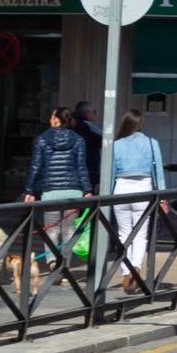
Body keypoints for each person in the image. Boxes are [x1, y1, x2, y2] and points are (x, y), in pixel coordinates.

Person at [106, 111, 167, 293]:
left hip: (121, 189)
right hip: (144, 188)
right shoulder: (151, 143)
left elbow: (110, 172)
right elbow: (159, 172)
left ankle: (126, 273)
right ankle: (136, 267)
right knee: (140, 234)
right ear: (140, 124)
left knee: (124, 233)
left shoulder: (116, 145)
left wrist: (108, 195)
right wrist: (162, 196)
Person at [22, 107, 89, 272]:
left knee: (51, 230)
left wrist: (29, 191)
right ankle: (64, 265)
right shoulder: (79, 140)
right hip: (73, 192)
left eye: (52, 116)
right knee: (69, 231)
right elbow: (81, 168)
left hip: (50, 191)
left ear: (56, 120)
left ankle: (52, 262)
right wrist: (87, 189)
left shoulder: (42, 140)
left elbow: (36, 167)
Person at [72, 101, 106, 194]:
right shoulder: (88, 125)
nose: (95, 114)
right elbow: (106, 139)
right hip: (88, 165)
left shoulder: (71, 125)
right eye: (94, 112)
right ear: (87, 113)